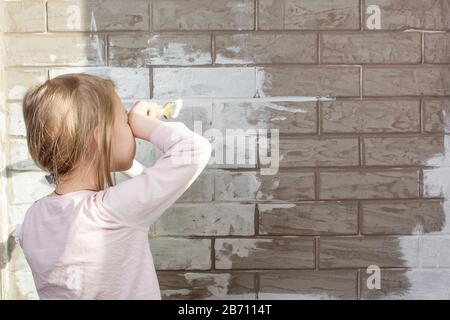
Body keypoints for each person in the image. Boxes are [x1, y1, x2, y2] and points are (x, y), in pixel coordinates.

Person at [18, 73, 212, 299]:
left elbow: (144, 182)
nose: (131, 128)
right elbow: (194, 149)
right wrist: (145, 123)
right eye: (125, 121)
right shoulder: (110, 211)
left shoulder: (33, 218)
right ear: (100, 137)